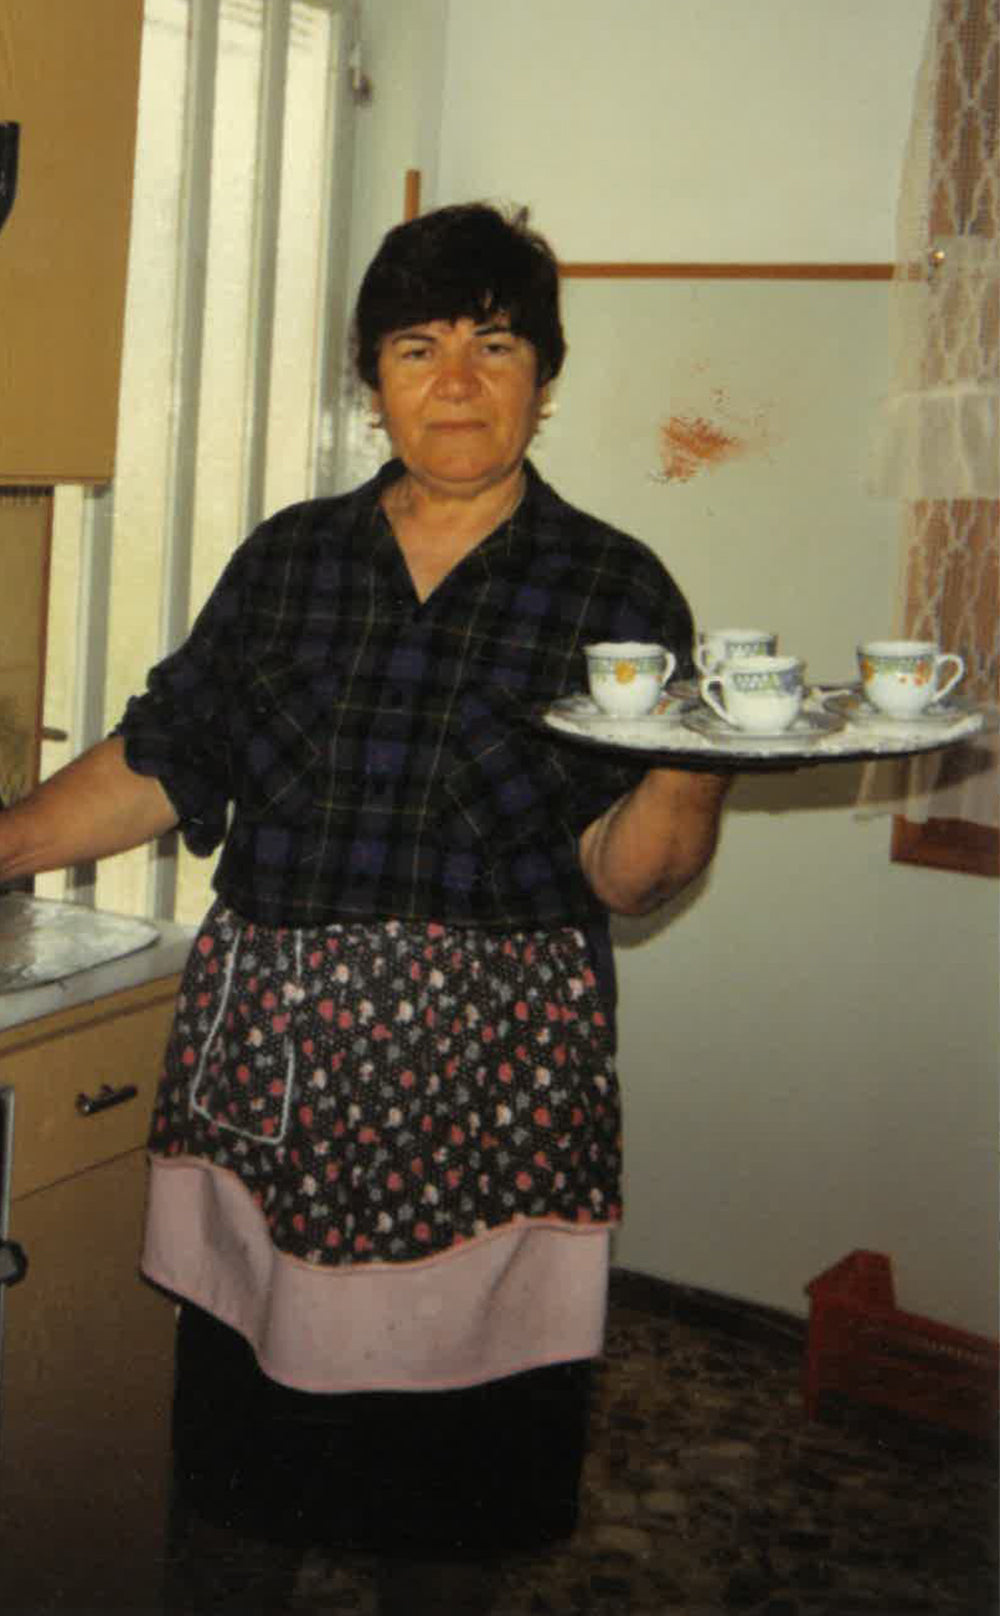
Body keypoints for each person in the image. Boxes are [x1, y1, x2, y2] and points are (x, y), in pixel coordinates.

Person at [0, 203, 730, 1614]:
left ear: (543, 376)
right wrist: (7, 842)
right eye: (416, 348)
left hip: (487, 1100)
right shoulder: (291, 562)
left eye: (493, 345)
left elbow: (629, 875)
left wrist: (698, 761)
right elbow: (166, 758)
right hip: (274, 1081)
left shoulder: (613, 585)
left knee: (447, 1508)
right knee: (239, 1487)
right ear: (372, 380)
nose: (455, 382)